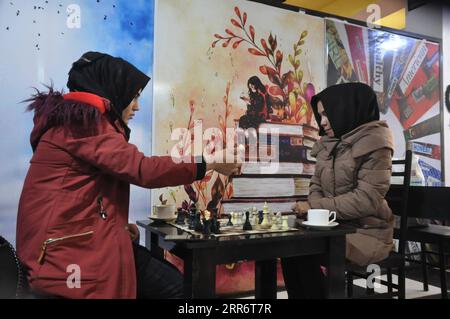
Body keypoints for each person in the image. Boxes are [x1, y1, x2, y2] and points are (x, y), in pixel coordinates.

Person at [16, 52, 241, 299]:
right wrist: (209, 162)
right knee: (178, 290)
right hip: (67, 258)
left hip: (72, 246)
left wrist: (117, 227)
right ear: (113, 90)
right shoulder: (83, 123)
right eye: (133, 97)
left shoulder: (75, 123)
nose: (137, 106)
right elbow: (143, 169)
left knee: (177, 287)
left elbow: (81, 196)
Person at [281, 82, 394, 298]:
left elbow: (365, 200)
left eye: (326, 114)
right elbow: (315, 185)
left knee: (304, 253)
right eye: (320, 115)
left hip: (366, 231)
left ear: (344, 110)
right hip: (334, 227)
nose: (322, 122)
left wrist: (314, 207)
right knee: (289, 248)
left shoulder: (376, 144)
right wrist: (315, 208)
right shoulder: (330, 143)